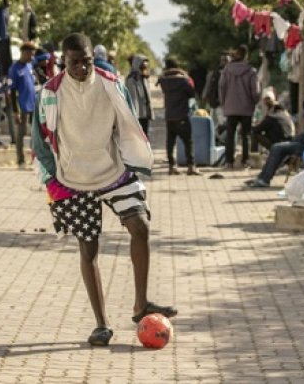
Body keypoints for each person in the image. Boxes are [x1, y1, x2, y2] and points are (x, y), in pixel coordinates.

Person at [31, 33, 177, 347]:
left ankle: (141, 305)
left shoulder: (111, 83)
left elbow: (127, 124)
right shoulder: (50, 93)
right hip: (71, 180)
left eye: (87, 61)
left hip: (113, 172)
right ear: (63, 62)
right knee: (89, 249)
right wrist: (51, 180)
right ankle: (101, 325)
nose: (83, 67)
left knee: (140, 226)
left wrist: (134, 161)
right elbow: (39, 139)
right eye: (75, 63)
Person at [219, 44, 261, 168]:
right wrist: (255, 101)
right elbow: (255, 90)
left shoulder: (226, 70)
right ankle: (245, 161)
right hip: (247, 108)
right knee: (246, 135)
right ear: (246, 56)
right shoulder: (251, 71)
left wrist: (224, 103)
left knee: (230, 135)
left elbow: (221, 87)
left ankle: (229, 162)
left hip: (230, 107)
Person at [157, 58, 199, 175]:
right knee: (188, 141)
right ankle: (191, 167)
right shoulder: (183, 80)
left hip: (169, 115)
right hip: (182, 114)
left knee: (170, 142)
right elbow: (192, 93)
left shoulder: (164, 80)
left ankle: (171, 167)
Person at [8, 41, 37, 166]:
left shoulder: (29, 67)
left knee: (35, 133)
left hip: (33, 104)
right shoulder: (14, 69)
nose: (32, 57)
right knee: (21, 133)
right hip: (22, 106)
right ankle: (20, 159)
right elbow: (12, 91)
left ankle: (34, 157)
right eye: (31, 54)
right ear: (24, 53)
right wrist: (15, 111)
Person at [125, 54, 153, 137]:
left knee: (145, 137)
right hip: (136, 115)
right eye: (143, 66)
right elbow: (132, 99)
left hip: (145, 114)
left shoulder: (144, 78)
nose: (145, 68)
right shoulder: (131, 79)